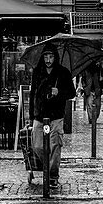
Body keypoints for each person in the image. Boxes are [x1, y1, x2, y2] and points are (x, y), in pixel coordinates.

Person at [29, 46, 76, 185]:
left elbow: (72, 93)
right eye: (45, 57)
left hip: (56, 116)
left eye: (50, 57)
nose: (48, 60)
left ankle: (53, 176)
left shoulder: (63, 73)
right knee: (37, 145)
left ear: (55, 57)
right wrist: (31, 114)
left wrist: (59, 92)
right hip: (40, 115)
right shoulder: (38, 72)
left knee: (55, 145)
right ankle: (48, 168)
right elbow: (33, 93)